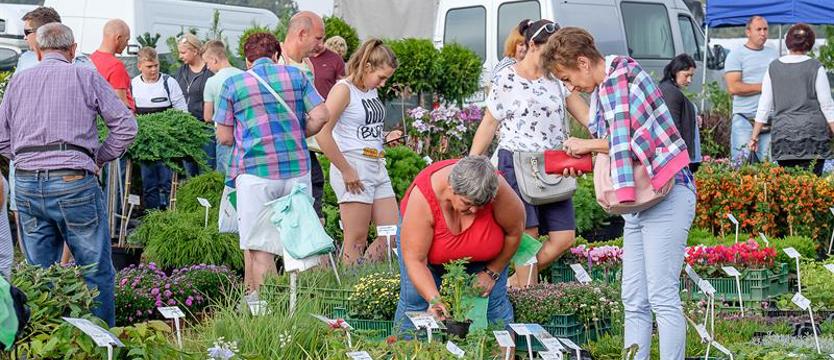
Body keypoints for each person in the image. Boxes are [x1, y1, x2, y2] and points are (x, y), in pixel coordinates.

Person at [541, 27, 695, 360]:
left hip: (668, 192)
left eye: (568, 78)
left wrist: (587, 145)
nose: (571, 88)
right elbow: (617, 149)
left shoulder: (624, 78)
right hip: (641, 201)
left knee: (662, 296)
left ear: (583, 62)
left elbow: (639, 143)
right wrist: (582, 158)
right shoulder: (604, 89)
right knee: (634, 298)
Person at [0, 23, 137, 327]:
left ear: (38, 50)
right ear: (73, 49)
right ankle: (100, 345)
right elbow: (127, 126)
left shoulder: (19, 81)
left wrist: (25, 157)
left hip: (26, 180)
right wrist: (96, 157)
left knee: (39, 273)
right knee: (95, 269)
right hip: (74, 180)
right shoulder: (84, 74)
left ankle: (46, 338)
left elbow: (1, 138)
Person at [469, 19, 587, 287]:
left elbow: (585, 115)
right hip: (517, 163)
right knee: (528, 237)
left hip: (554, 164)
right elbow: (489, 123)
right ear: (532, 44)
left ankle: (512, 284)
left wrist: (608, 137)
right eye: (550, 50)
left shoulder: (557, 79)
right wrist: (472, 163)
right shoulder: (507, 79)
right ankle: (527, 298)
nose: (555, 57)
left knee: (564, 237)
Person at [214, 32, 328, 293]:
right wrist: (298, 133)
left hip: (255, 174)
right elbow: (322, 114)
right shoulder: (297, 76)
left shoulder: (233, 84)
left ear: (247, 59)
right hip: (297, 173)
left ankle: (269, 311)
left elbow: (224, 136)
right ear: (276, 55)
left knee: (261, 247)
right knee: (297, 243)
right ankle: (302, 305)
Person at [393, 156, 523, 333]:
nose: (475, 211)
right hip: (428, 255)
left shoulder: (496, 188)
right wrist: (434, 300)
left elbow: (514, 233)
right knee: (416, 302)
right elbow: (415, 260)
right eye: (468, 204)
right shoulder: (423, 197)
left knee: (493, 303)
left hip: (485, 254)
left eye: (481, 205)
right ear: (451, 188)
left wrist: (492, 272)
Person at [316, 39, 398, 265]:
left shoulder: (369, 90)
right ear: (368, 67)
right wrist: (345, 169)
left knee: (392, 235)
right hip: (354, 165)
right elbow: (323, 133)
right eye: (381, 77)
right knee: (356, 240)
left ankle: (362, 276)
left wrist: (384, 137)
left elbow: (362, 129)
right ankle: (351, 287)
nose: (382, 83)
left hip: (376, 164)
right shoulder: (343, 90)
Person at [749, 24, 834, 176]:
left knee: (790, 188)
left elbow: (764, 106)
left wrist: (754, 136)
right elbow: (827, 106)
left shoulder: (773, 67)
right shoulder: (815, 67)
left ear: (788, 42)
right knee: (812, 185)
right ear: (810, 43)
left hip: (784, 135)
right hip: (812, 135)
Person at [281, 11, 327, 223]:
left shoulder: (307, 64)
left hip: (305, 147)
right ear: (301, 34)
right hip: (286, 149)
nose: (322, 45)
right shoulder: (279, 63)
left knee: (313, 195)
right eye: (318, 38)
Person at [131, 47, 187, 211]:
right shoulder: (133, 84)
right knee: (149, 183)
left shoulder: (169, 83)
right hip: (145, 144)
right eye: (149, 66)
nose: (154, 69)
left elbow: (182, 111)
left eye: (156, 65)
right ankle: (152, 216)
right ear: (140, 66)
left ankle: (171, 216)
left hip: (167, 143)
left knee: (168, 182)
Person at [725, 16, 778, 161]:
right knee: (741, 164)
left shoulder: (773, 54)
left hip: (769, 118)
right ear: (748, 32)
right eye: (759, 29)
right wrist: (765, 87)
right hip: (744, 117)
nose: (763, 33)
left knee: (768, 166)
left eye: (765, 29)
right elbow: (733, 87)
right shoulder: (736, 55)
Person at [202, 40, 244, 175]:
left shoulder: (211, 81)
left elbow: (207, 117)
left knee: (225, 181)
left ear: (214, 60)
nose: (207, 67)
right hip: (245, 134)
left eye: (207, 63)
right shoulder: (244, 76)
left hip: (223, 135)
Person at [175, 33, 215, 175]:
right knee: (189, 173)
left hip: (205, 128)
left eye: (183, 52)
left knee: (206, 170)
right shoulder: (181, 71)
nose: (180, 56)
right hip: (186, 128)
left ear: (195, 51)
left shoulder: (209, 71)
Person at [660, 54, 702, 172]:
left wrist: (693, 117)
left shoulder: (670, 89)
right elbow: (673, 127)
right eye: (686, 75)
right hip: (680, 157)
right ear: (675, 71)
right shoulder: (670, 92)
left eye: (691, 76)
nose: (689, 80)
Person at [90, 19, 135, 111]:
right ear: (118, 38)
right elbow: (121, 106)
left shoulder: (91, 59)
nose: (127, 44)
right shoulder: (115, 65)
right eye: (127, 40)